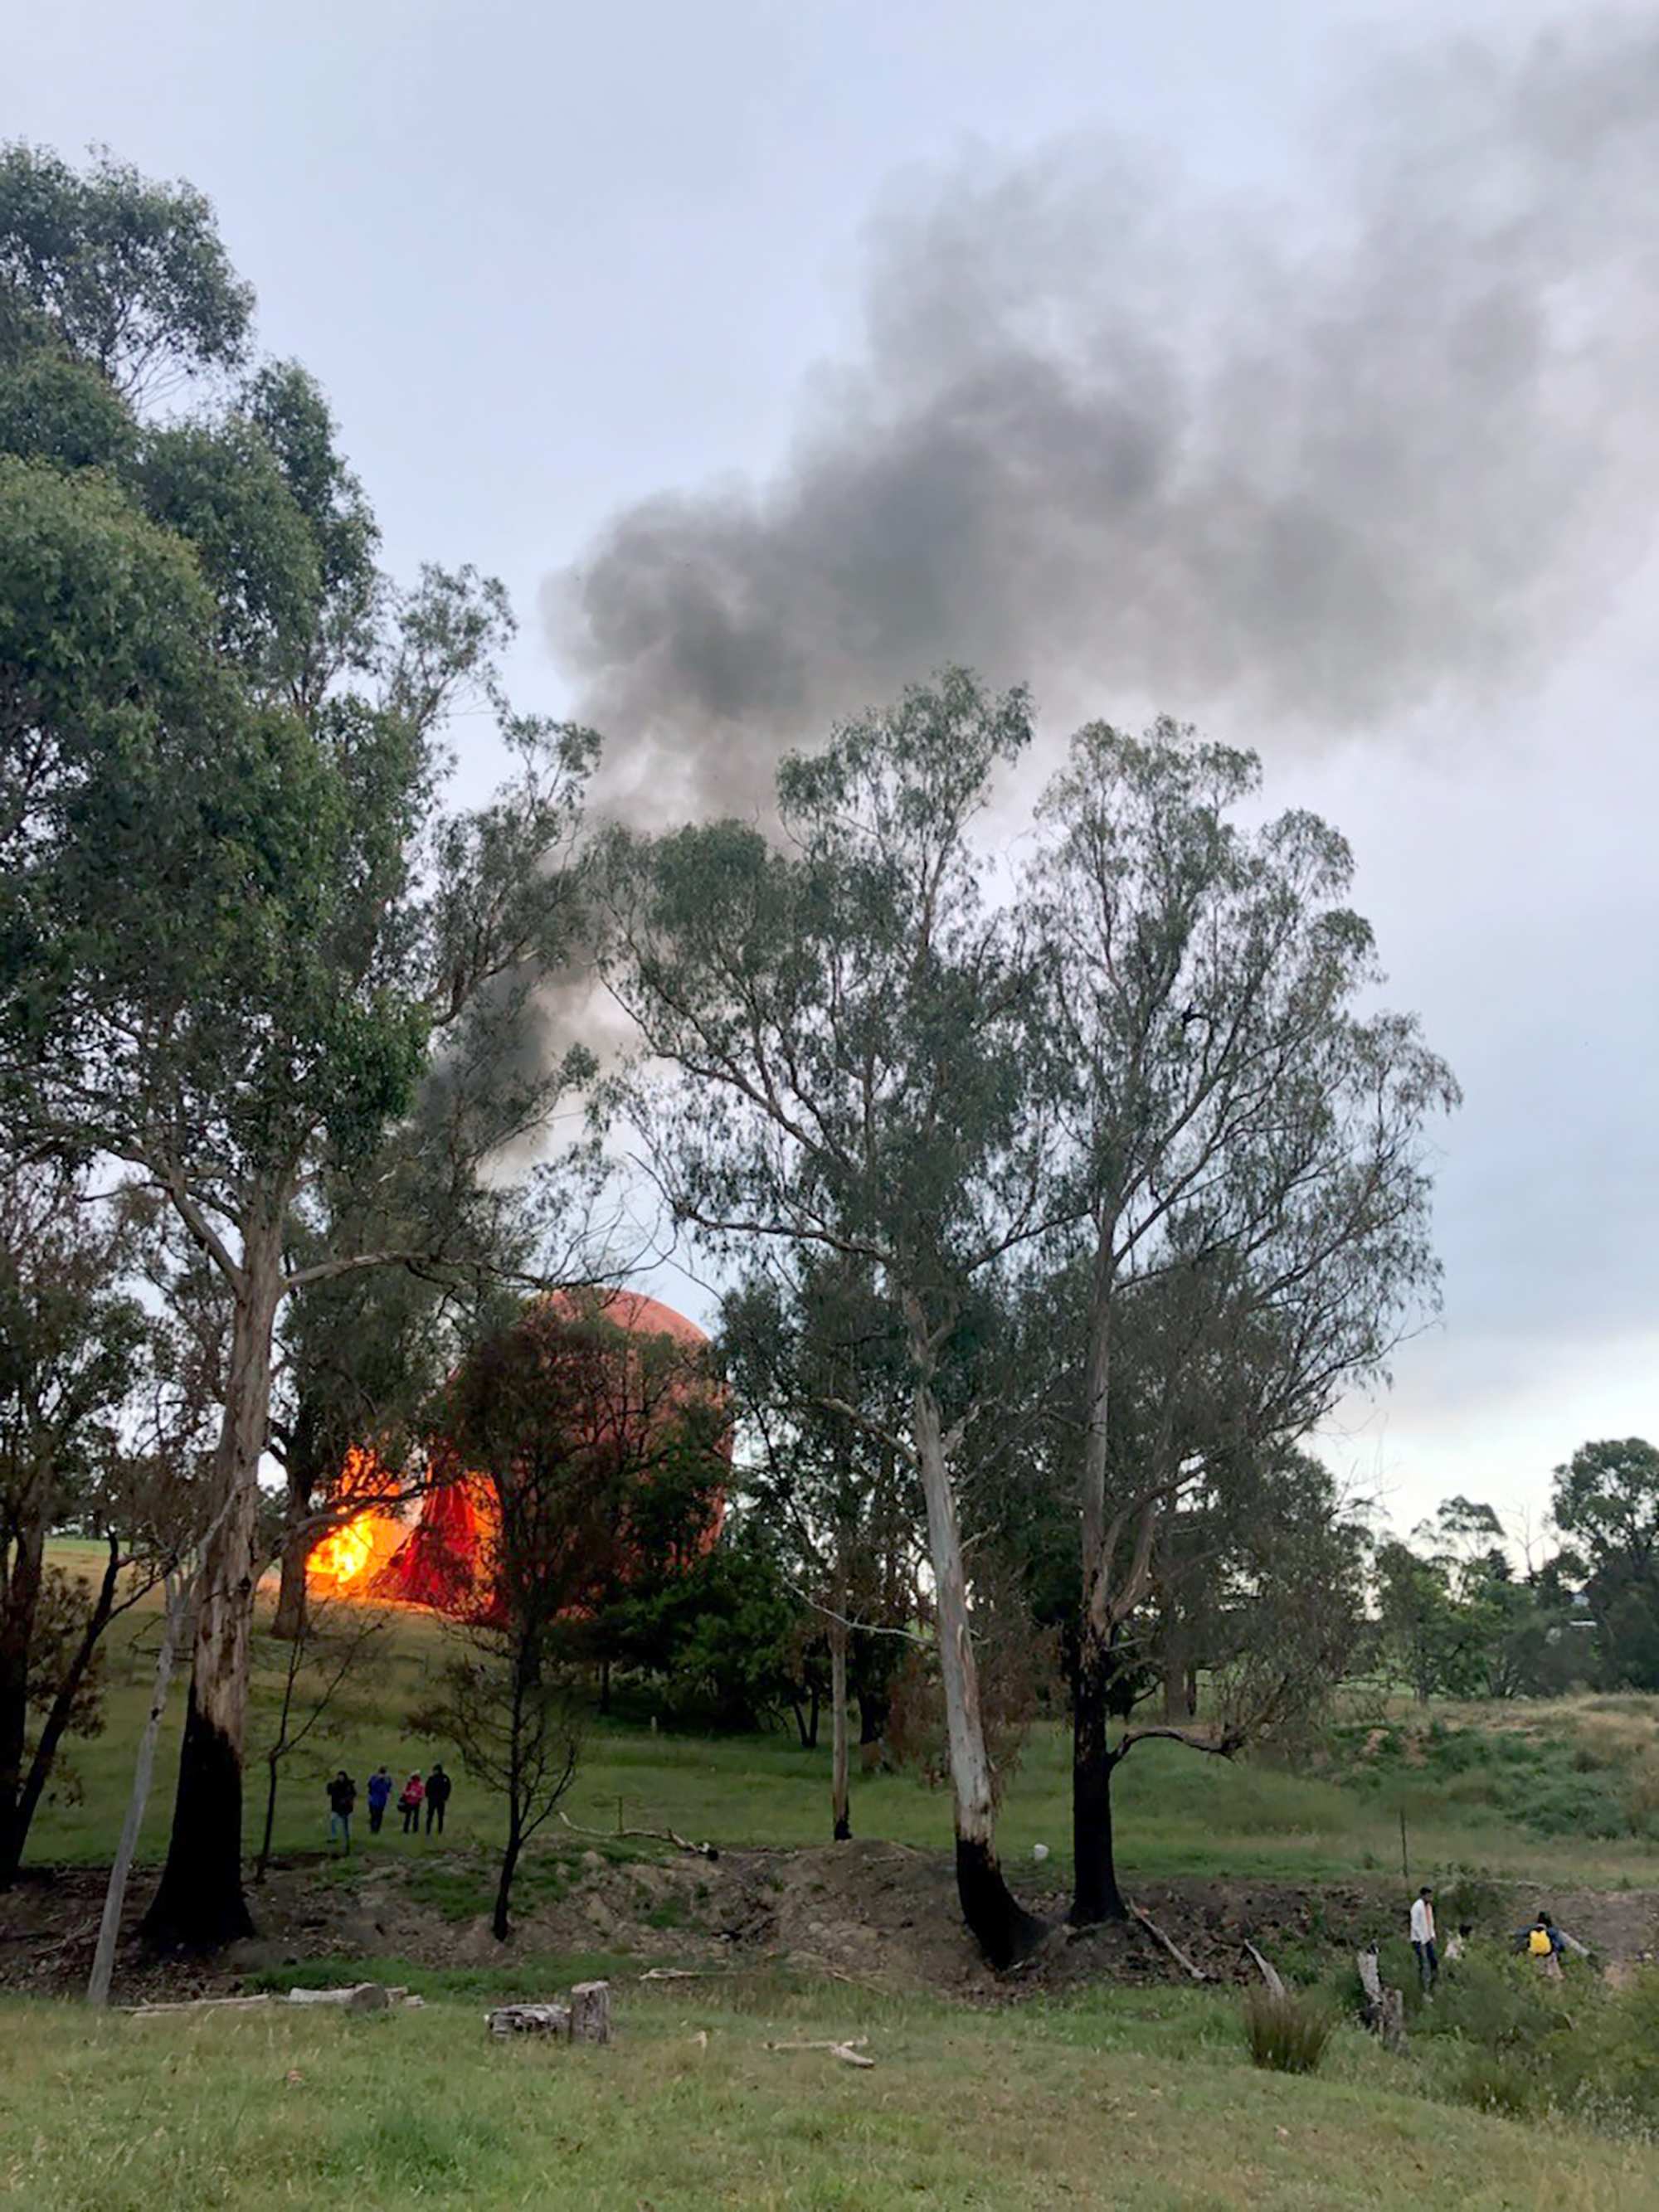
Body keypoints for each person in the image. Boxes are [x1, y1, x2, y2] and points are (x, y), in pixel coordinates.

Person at [1409, 1884, 1438, 1994]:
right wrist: (1421, 1939)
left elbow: (1430, 1922)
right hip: (1418, 1940)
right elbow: (1415, 1924)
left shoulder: (1428, 1907)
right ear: (1423, 1895)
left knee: (1433, 1961)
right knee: (1423, 1963)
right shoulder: (1417, 1907)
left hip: (1427, 1939)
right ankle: (1422, 1988)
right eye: (1428, 1896)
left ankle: (1433, 1985)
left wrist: (1432, 1935)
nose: (1430, 1898)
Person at [328, 1770, 357, 1853]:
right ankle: (334, 1837)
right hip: (336, 1808)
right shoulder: (335, 1785)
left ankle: (347, 1839)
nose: (340, 1778)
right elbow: (330, 1793)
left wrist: (347, 1800)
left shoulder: (349, 1785)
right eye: (339, 1776)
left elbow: (353, 1794)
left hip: (347, 1809)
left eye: (341, 1776)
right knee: (333, 1820)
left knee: (346, 1825)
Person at [425, 1761, 452, 1836]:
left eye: (435, 1770)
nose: (434, 1772)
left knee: (440, 1816)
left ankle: (440, 1831)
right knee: (430, 1815)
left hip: (440, 1800)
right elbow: (427, 1787)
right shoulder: (431, 1778)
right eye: (434, 1770)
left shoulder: (445, 1778)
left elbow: (448, 1788)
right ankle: (428, 1831)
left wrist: (445, 1797)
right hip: (432, 1800)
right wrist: (428, 1795)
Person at [367, 1765, 392, 1835]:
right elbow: (371, 1785)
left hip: (382, 1800)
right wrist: (378, 1779)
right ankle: (372, 1828)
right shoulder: (374, 1777)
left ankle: (377, 1829)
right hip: (374, 1799)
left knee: (379, 1814)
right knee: (373, 1814)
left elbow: (389, 1787)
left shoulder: (387, 1779)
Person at [398, 1771, 424, 1835]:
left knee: (416, 1817)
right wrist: (409, 1793)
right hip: (409, 1802)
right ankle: (405, 1830)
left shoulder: (421, 1785)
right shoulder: (409, 1784)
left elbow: (422, 1795)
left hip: (416, 1803)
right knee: (408, 1817)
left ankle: (415, 1830)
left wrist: (416, 1796)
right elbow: (404, 1792)